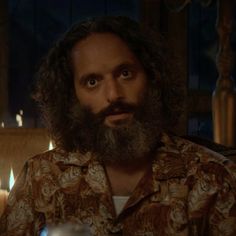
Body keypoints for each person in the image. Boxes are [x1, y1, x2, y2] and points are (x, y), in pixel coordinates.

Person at [1, 15, 236, 236]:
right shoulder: (41, 177)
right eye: (92, 82)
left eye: (125, 74)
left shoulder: (215, 178)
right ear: (71, 96)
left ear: (152, 78)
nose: (113, 95)